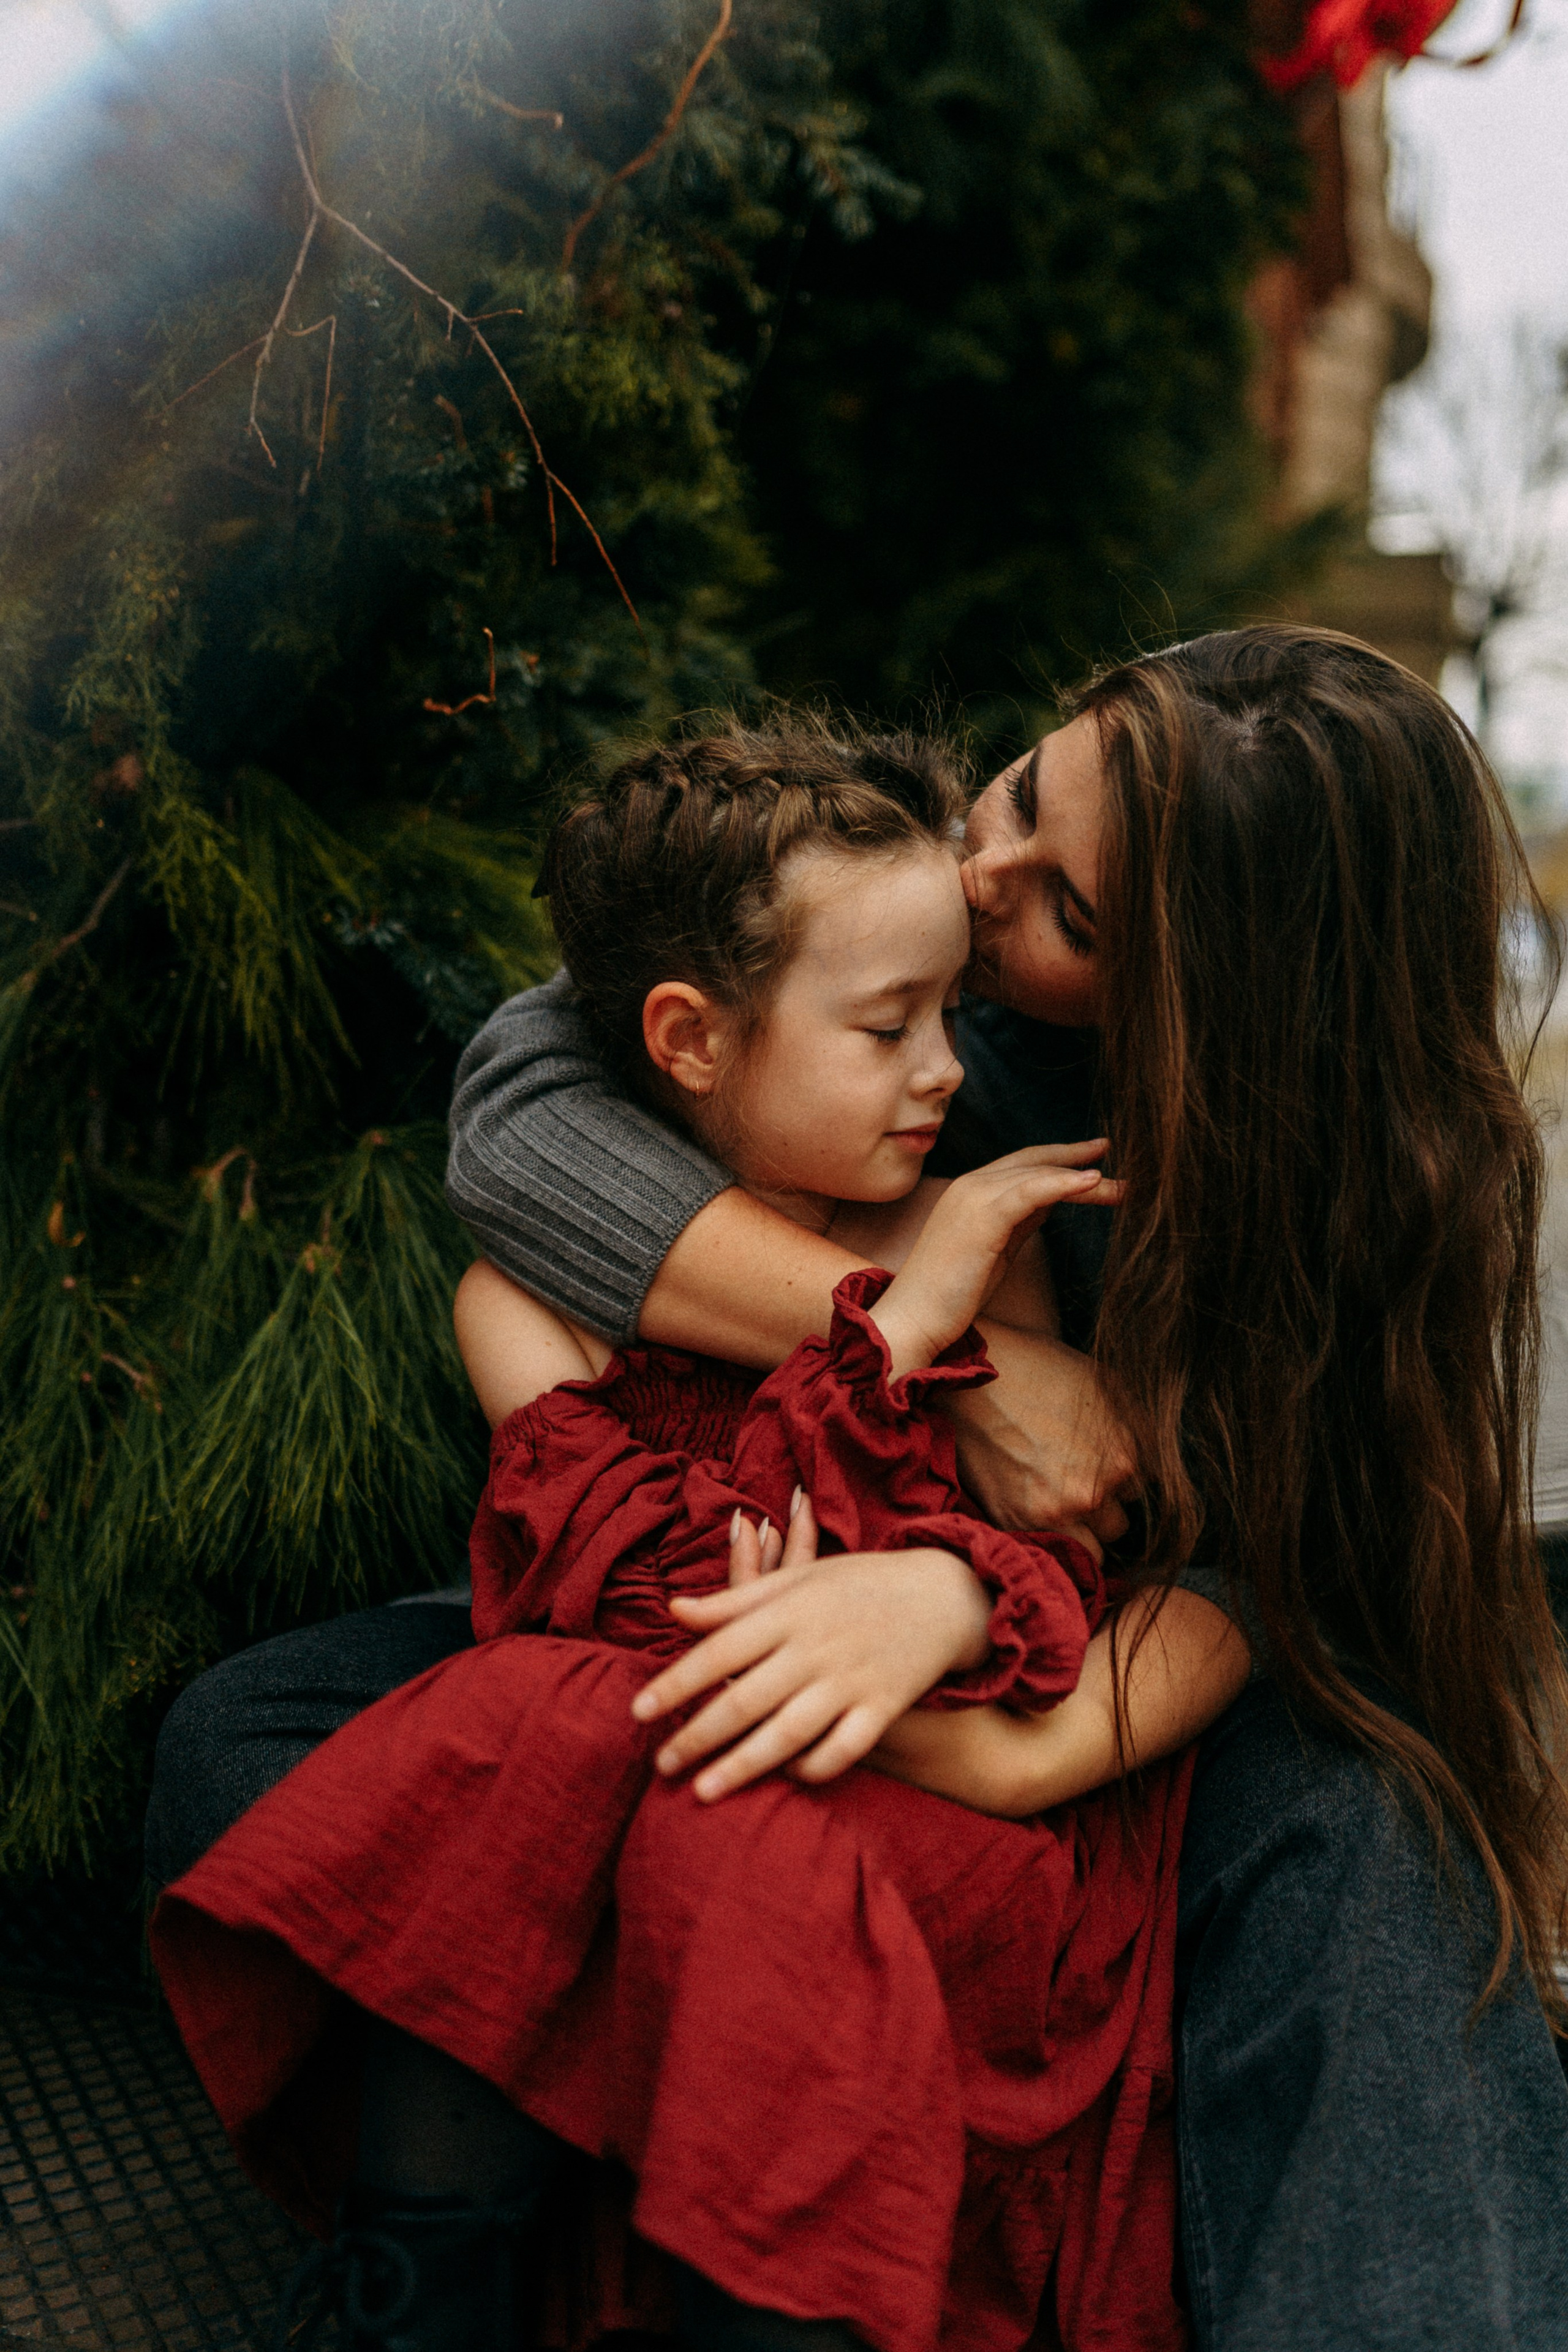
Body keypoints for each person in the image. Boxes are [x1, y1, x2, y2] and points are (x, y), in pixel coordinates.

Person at [146, 626, 1568, 2350]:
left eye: (1076, 914)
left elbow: (1316, 1590)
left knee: (1387, 1898)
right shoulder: (897, 911)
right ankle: (543, 2219)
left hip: (1147, 1685)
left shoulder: (1378, 1201)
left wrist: (972, 1652)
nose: (985, 872)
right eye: (1028, 782)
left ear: (1221, 994)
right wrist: (947, 1356)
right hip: (730, 1567)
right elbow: (528, 1108)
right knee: (262, 1744)